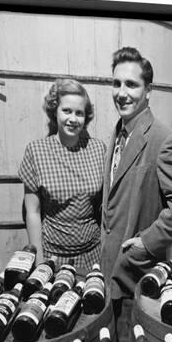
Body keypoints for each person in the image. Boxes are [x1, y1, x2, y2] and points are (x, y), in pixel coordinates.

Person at [101, 46, 172, 342]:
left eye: (131, 84)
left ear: (148, 90)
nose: (122, 92)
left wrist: (146, 243)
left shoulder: (163, 139)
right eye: (116, 83)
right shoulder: (118, 132)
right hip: (109, 273)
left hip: (136, 278)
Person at [18, 79, 106, 273]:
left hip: (93, 254)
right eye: (67, 111)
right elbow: (32, 211)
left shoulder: (98, 149)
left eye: (79, 113)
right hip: (52, 257)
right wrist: (39, 262)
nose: (73, 119)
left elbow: (105, 207)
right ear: (54, 111)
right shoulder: (36, 151)